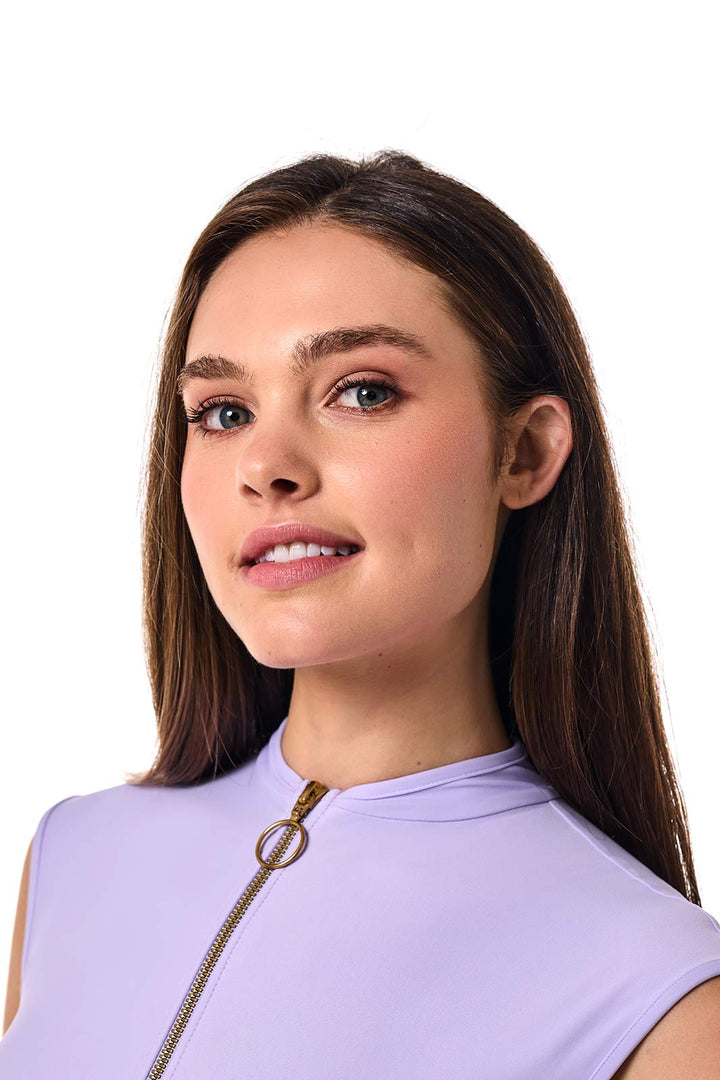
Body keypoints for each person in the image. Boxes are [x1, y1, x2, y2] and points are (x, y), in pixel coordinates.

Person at [1, 149, 719, 1079]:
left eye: (363, 391)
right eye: (222, 411)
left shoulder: (659, 996)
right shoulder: (76, 858)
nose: (266, 465)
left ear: (526, 453)